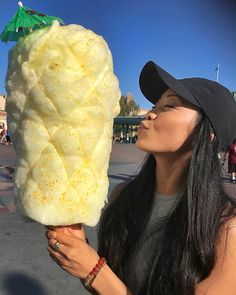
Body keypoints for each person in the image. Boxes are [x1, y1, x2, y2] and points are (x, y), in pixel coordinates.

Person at [46, 61, 236, 295]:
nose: (150, 113)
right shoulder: (123, 196)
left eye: (169, 106)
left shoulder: (227, 230)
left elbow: (101, 278)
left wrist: (93, 270)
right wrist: (78, 250)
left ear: (207, 134)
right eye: (154, 105)